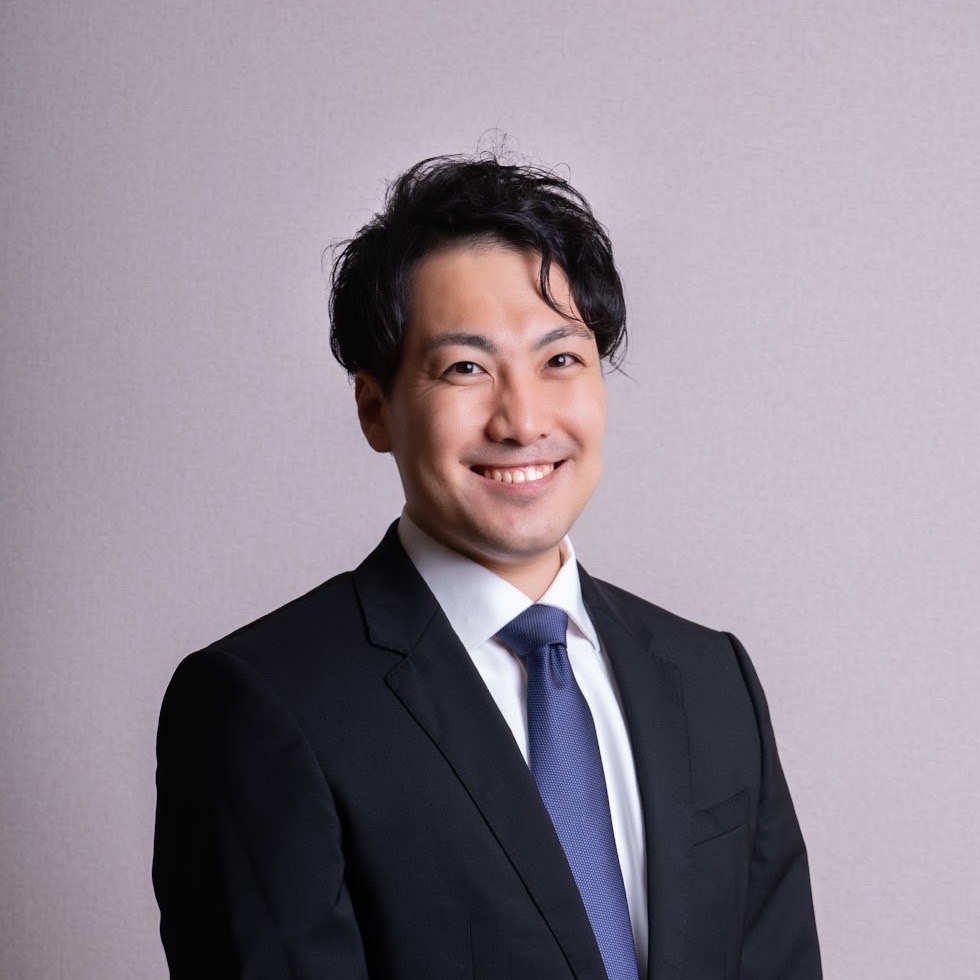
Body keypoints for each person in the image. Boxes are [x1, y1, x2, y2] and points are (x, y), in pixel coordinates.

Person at [152, 153, 822, 979]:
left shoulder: (713, 680)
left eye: (561, 359)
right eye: (465, 368)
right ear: (375, 408)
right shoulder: (264, 706)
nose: (522, 420)